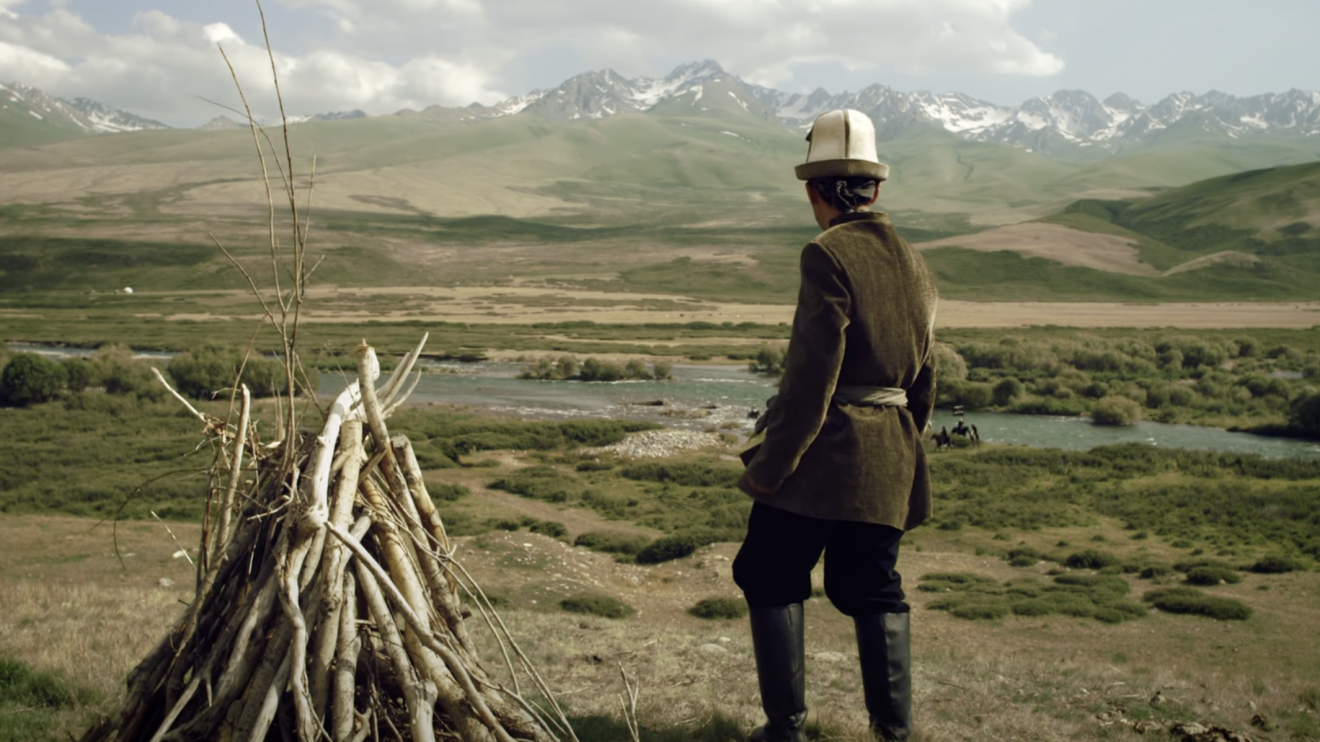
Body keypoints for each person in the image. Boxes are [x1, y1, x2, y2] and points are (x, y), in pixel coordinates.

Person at [733, 109, 938, 742]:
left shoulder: (826, 253)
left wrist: (771, 467)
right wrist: (904, 447)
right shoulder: (915, 261)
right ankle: (892, 734)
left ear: (815, 191)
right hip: (891, 453)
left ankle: (785, 729)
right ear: (874, 189)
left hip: (824, 459)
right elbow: (926, 375)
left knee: (766, 570)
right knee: (871, 586)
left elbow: (812, 374)